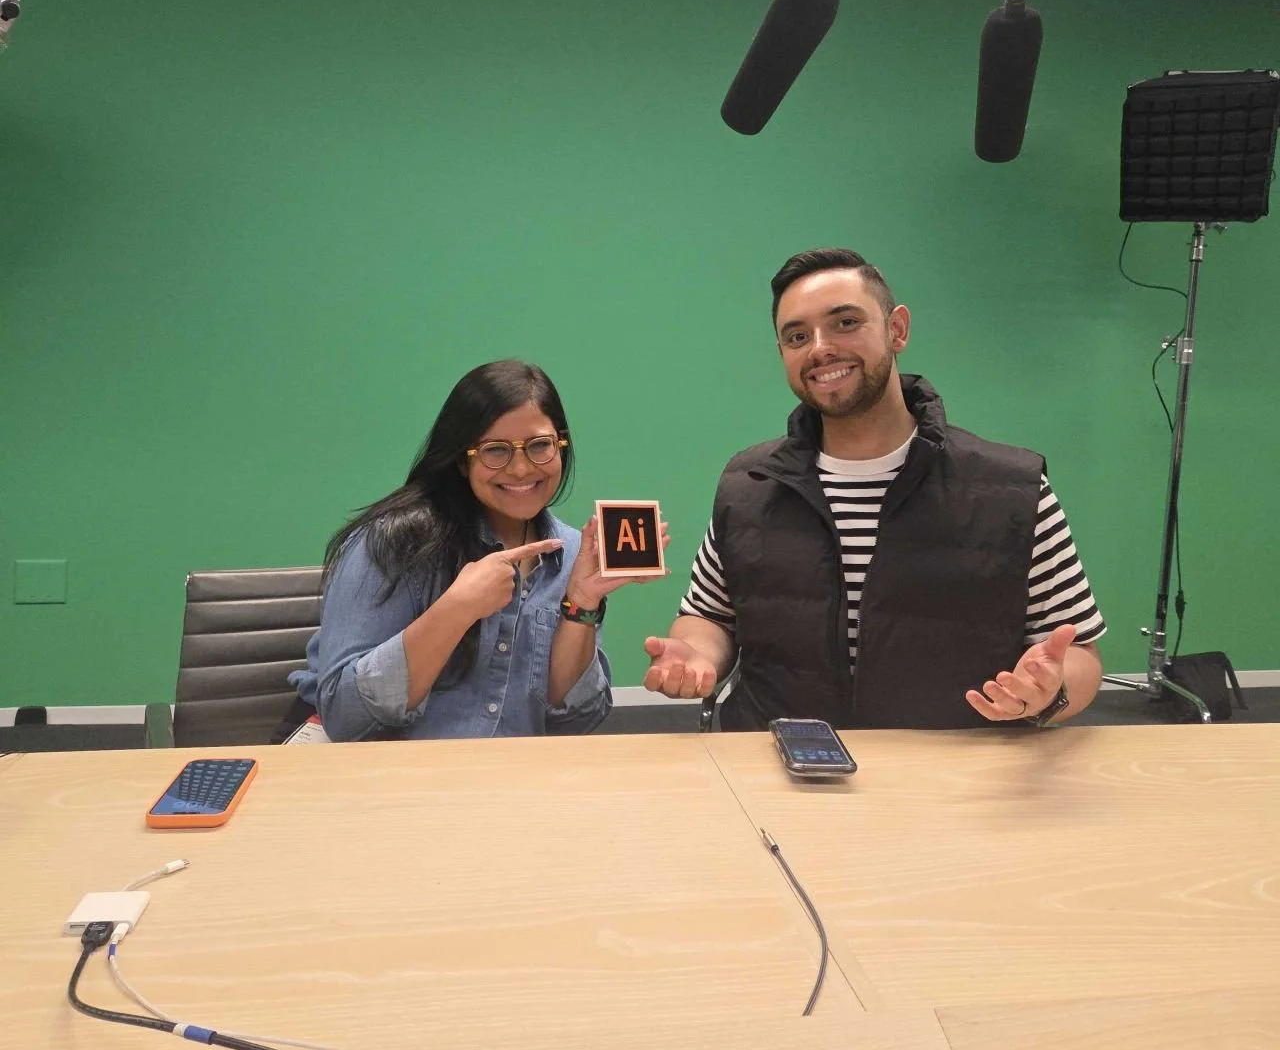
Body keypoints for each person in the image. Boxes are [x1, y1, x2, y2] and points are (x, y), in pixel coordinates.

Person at [644, 249, 1105, 730]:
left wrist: (1048, 691)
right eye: (797, 336)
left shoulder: (1013, 489)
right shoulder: (749, 485)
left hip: (955, 766)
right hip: (775, 758)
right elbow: (709, 615)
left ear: (897, 329)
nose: (820, 348)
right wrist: (696, 654)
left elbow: (1077, 653)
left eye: (845, 323)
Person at [291, 359, 661, 741]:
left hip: (508, 774)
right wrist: (457, 609)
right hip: (388, 771)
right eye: (495, 450)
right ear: (462, 460)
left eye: (540, 446)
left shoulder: (572, 555)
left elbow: (575, 724)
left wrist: (580, 606)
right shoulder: (391, 542)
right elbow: (345, 717)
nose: (521, 469)